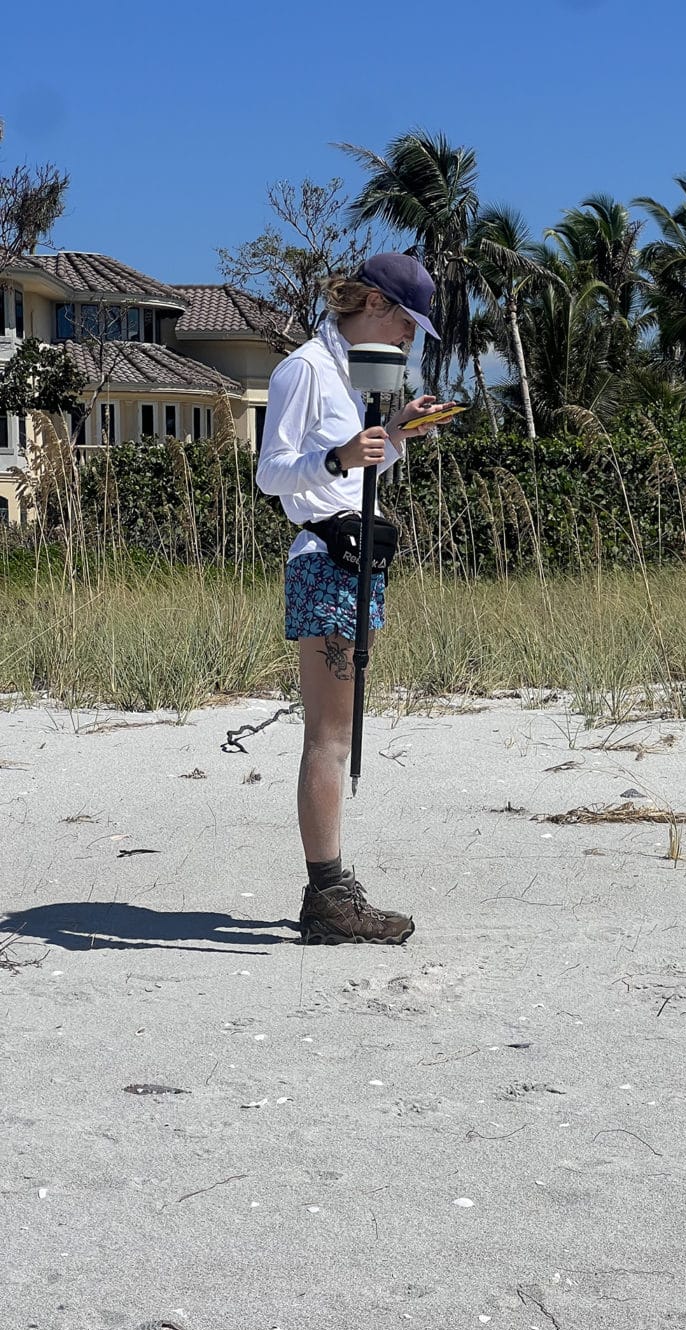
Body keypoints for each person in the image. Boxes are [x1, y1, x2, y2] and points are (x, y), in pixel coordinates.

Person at [256, 253, 455, 946]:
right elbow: (271, 474)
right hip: (325, 560)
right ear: (372, 302)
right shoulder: (305, 368)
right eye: (405, 320)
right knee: (330, 737)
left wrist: (394, 434)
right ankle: (329, 896)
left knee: (334, 735)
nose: (410, 336)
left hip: (355, 556)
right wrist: (340, 456)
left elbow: (353, 468)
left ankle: (331, 893)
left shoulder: (353, 372)